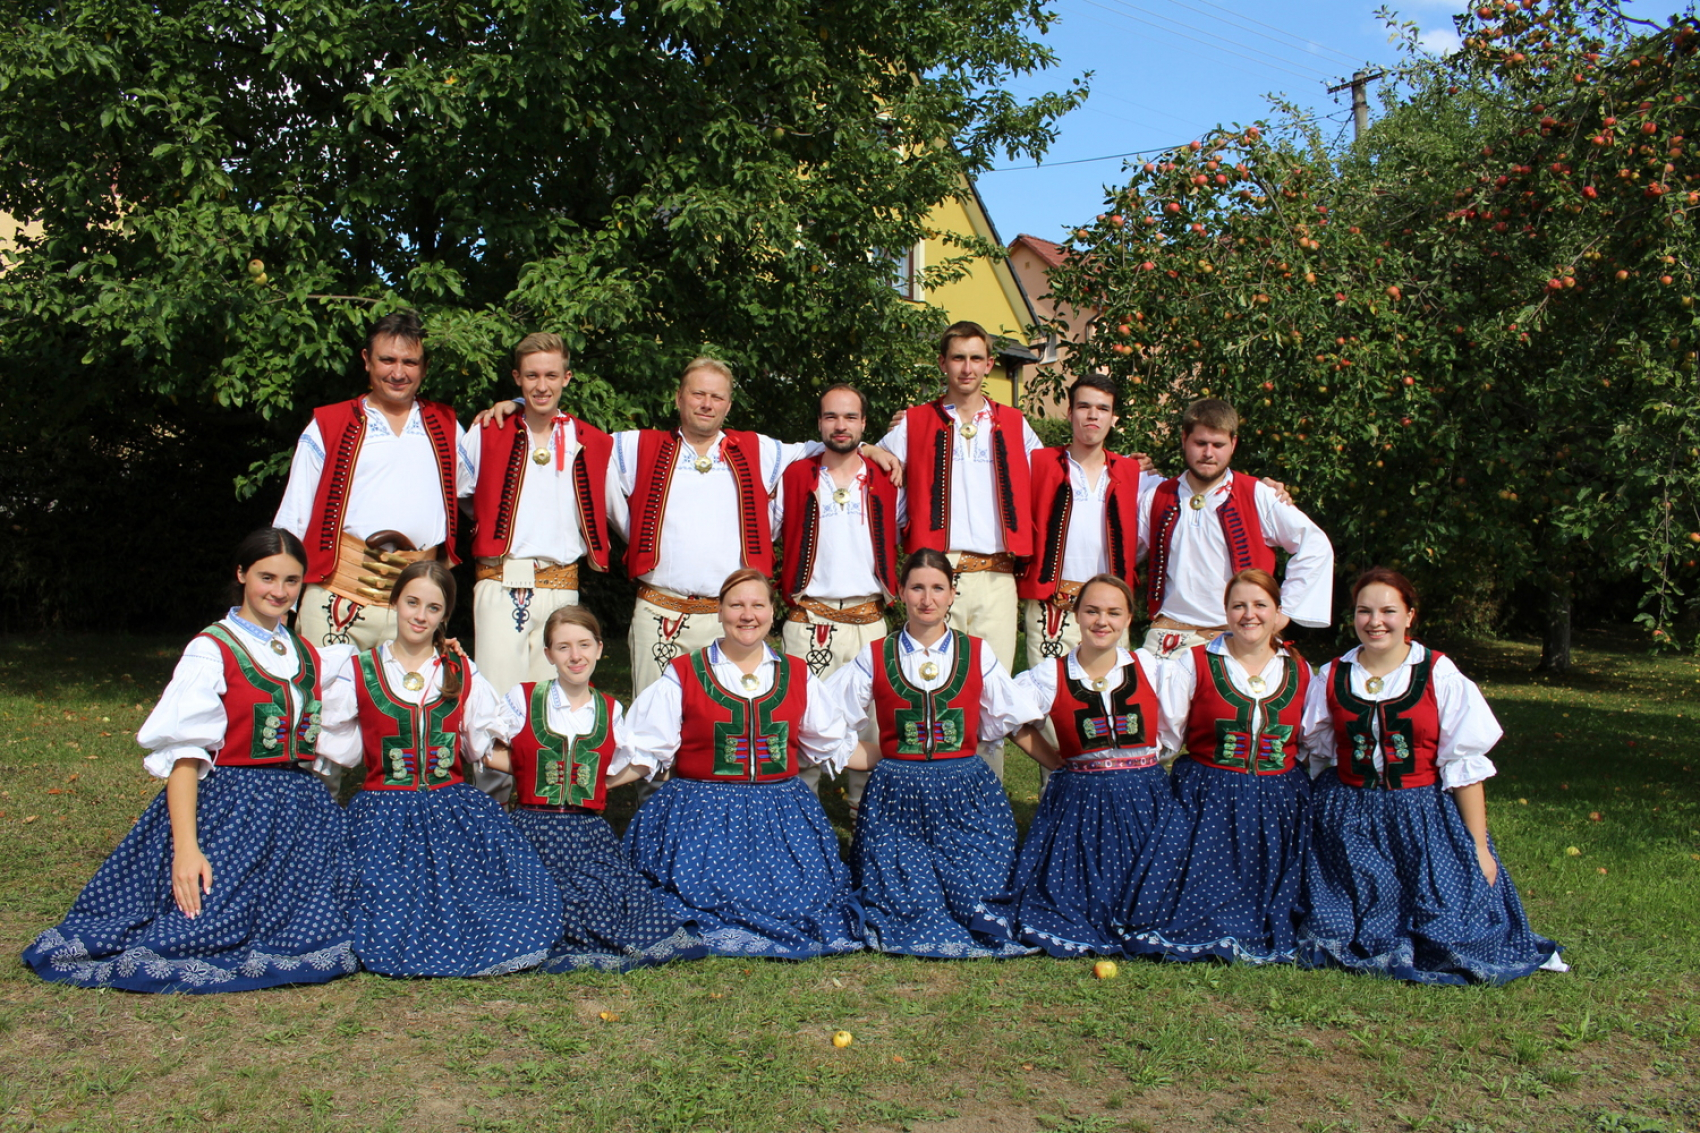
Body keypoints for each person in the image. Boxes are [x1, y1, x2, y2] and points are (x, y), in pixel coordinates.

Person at [22, 529, 359, 992]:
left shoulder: (305, 653)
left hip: (303, 813)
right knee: (203, 925)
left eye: (291, 580)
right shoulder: (213, 648)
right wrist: (187, 849)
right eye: (267, 577)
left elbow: (383, 686)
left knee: (341, 917)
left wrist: (443, 652)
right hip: (235, 808)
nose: (279, 591)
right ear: (241, 575)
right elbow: (186, 754)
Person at [1297, 569, 1566, 984]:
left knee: (1451, 932)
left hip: (1421, 817)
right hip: (1349, 818)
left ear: (1409, 616)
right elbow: (1318, 755)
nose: (1375, 621)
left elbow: (1464, 765)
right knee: (1334, 927)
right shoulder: (1332, 675)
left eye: (1388, 611)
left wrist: (1478, 848)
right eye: (1364, 611)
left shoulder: (1438, 673)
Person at [318, 560, 560, 977]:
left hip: (451, 811)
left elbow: (483, 747)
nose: (420, 615)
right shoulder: (359, 669)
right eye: (412, 602)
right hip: (383, 816)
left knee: (494, 899)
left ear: (444, 615)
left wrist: (550, 772)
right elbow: (332, 742)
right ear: (395, 602)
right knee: (385, 909)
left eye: (433, 608)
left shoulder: (460, 670)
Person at [618, 569, 862, 958]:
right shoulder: (683, 674)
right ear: (719, 611)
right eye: (736, 605)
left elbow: (834, 744)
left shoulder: (798, 675)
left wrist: (907, 757)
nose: (747, 615)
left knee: (797, 898)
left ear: (772, 612)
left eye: (757, 605)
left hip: (780, 817)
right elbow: (645, 748)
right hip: (700, 816)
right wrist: (593, 783)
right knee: (694, 893)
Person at [826, 549, 1038, 958]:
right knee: (903, 900)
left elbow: (1012, 723)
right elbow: (823, 724)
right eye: (917, 588)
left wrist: (1063, 766)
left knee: (981, 893)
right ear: (901, 593)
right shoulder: (876, 655)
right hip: (897, 802)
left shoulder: (977, 653)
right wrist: (882, 758)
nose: (927, 599)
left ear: (953, 593)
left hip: (966, 799)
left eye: (938, 588)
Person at [488, 606, 707, 972]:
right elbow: (485, 748)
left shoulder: (610, 709)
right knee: (535, 898)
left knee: (605, 899)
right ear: (548, 654)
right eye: (563, 647)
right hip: (531, 829)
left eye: (584, 645)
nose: (576, 656)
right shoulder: (523, 698)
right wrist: (530, 772)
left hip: (587, 833)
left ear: (600, 648)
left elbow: (638, 760)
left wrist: (601, 783)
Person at [1121, 569, 1313, 963]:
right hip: (1209, 800)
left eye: (1260, 605)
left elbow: (1313, 745)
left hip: (1279, 807)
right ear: (1225, 612)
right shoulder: (1193, 663)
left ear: (1278, 612)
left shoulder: (1301, 669)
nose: (1249, 614)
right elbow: (1166, 739)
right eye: (1238, 605)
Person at [876, 322, 1043, 777]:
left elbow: (1051, 475)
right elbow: (869, 466)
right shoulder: (915, 421)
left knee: (992, 694)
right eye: (957, 358)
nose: (966, 368)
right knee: (930, 686)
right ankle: (927, 786)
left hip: (996, 575)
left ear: (989, 364)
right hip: (936, 574)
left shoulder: (1015, 424)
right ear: (942, 364)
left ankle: (986, 796)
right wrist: (873, 446)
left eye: (975, 358)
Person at [273, 310, 474, 652]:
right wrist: (281, 602)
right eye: (387, 360)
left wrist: (518, 407)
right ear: (367, 360)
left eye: (410, 362)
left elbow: (478, 497)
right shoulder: (328, 425)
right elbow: (294, 517)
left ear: (424, 367)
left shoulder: (447, 426)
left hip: (417, 606)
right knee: (327, 689)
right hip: (337, 597)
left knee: (413, 689)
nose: (398, 373)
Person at [996, 574, 1172, 957]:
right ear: (1076, 615)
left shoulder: (1151, 667)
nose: (1102, 621)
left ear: (1129, 619)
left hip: (1145, 799)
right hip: (1083, 801)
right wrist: (1055, 761)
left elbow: (1178, 724)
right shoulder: (1052, 674)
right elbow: (1007, 717)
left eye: (1113, 612)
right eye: (1092, 611)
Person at [776, 383, 902, 819]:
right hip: (809, 619)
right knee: (802, 720)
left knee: (871, 723)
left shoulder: (887, 479)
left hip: (869, 619)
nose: (840, 425)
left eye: (850, 417)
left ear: (864, 424)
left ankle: (863, 817)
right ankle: (800, 820)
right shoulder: (795, 475)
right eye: (831, 416)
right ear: (819, 423)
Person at [468, 332, 613, 707]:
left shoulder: (591, 441)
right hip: (500, 582)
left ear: (567, 377)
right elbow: (461, 497)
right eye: (532, 376)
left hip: (562, 585)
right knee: (496, 699)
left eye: (551, 375)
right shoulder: (487, 432)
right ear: (517, 377)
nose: (542, 386)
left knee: (554, 702)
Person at [1137, 399, 1332, 660]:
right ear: (1184, 439)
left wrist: (1285, 612)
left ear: (1233, 444)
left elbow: (1315, 545)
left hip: (1239, 636)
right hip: (1170, 635)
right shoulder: (1157, 496)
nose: (1208, 453)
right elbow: (1120, 553)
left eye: (1218, 445)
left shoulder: (1258, 494)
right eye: (1200, 443)